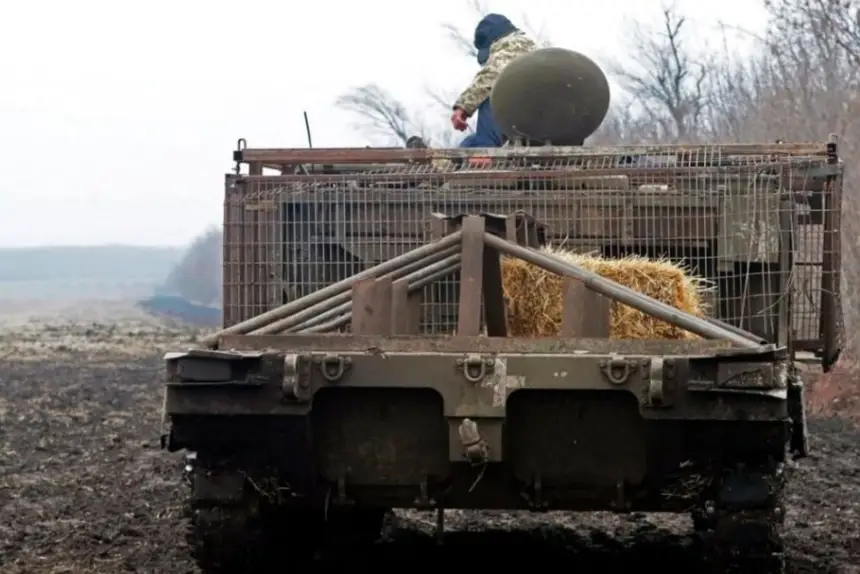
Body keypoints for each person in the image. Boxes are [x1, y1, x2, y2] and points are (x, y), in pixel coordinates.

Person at [452, 14, 537, 148]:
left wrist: (462, 108)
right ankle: (443, 163)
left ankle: (484, 152)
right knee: (469, 143)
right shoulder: (534, 48)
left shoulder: (512, 45)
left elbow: (489, 77)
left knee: (491, 95)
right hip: (543, 123)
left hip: (529, 118)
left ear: (493, 41)